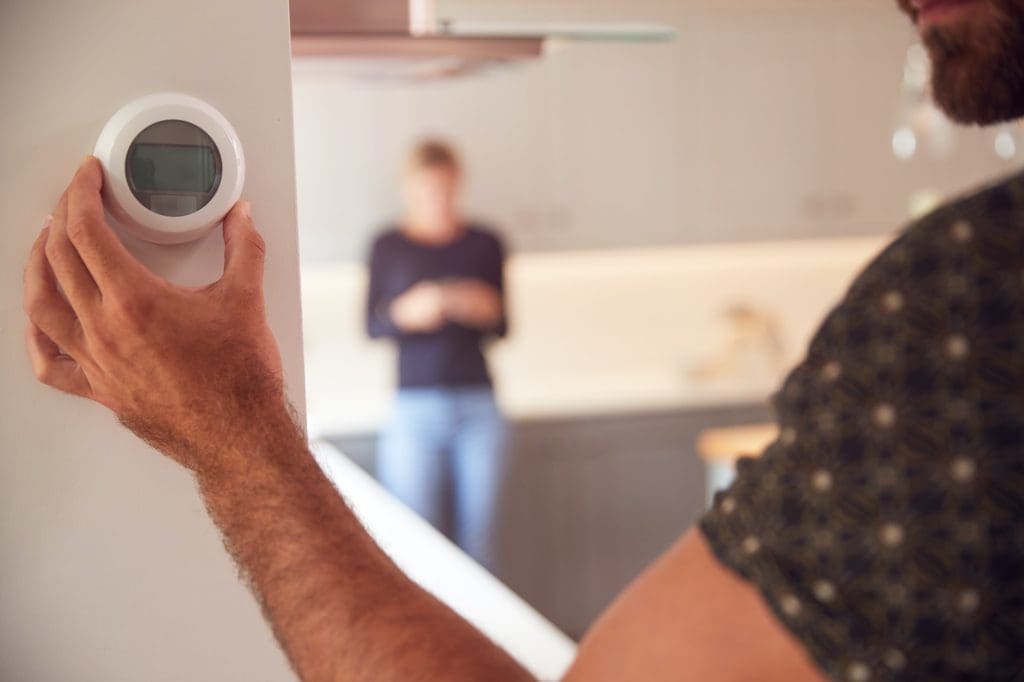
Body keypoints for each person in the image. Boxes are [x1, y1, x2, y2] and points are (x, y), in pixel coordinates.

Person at [20, 0, 1023, 679]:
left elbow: (497, 317)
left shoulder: (974, 298)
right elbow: (376, 322)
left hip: (472, 397)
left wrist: (228, 424)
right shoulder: (964, 304)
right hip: (418, 397)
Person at [365, 139, 509, 570]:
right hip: (413, 408)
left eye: (445, 189)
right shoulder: (387, 246)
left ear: (458, 184)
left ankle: (482, 636)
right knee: (413, 538)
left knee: (481, 540)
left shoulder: (486, 243)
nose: (438, 200)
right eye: (428, 189)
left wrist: (478, 305)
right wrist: (406, 312)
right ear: (408, 188)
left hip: (479, 406)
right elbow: (372, 326)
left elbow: (504, 326)